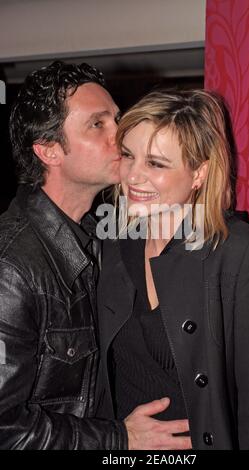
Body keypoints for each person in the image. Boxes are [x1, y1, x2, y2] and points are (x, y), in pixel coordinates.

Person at [0, 62, 191, 450]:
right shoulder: (11, 267)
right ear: (49, 150)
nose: (120, 134)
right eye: (97, 124)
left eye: (116, 118)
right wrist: (119, 438)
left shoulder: (98, 236)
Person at [96, 89, 249, 449]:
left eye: (156, 163)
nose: (132, 176)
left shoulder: (237, 251)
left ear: (199, 173)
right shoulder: (110, 244)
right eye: (128, 156)